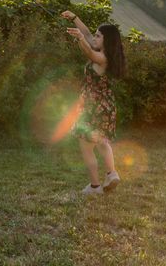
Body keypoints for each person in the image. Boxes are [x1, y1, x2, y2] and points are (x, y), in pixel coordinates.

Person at [62, 10, 126, 195]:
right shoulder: (107, 53)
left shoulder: (102, 58)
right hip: (105, 106)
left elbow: (89, 52)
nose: (94, 37)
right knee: (102, 141)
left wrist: (80, 39)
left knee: (86, 146)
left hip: (93, 107)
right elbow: (88, 35)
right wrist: (74, 18)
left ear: (106, 40)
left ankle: (95, 187)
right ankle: (112, 174)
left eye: (99, 36)